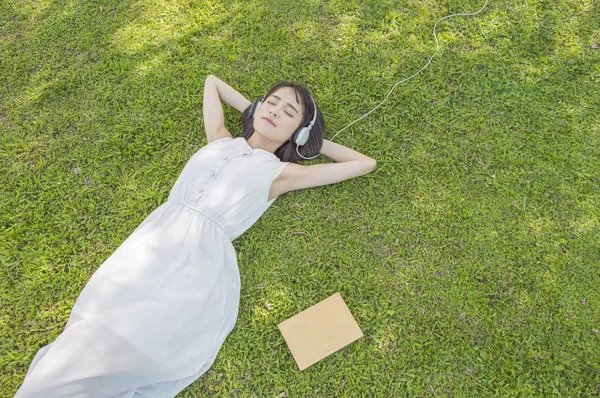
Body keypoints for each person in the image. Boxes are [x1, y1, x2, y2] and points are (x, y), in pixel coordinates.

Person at [16, 75, 376, 397]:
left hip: (196, 263)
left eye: (290, 113)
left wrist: (310, 143)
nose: (275, 111)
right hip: (149, 245)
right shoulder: (219, 140)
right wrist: (253, 109)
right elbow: (212, 83)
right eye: (271, 102)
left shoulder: (283, 173)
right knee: (92, 328)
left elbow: (364, 164)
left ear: (298, 132)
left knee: (124, 345)